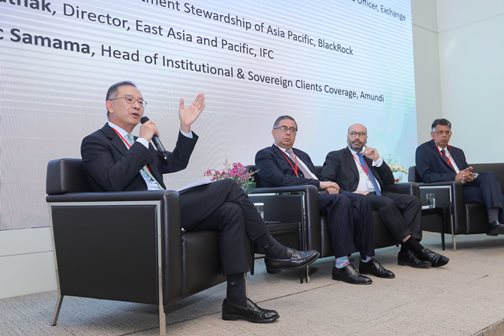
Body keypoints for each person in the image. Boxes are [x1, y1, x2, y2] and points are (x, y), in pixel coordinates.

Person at [81, 81, 320, 324]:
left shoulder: (138, 141)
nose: (137, 106)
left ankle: (236, 302)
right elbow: (112, 181)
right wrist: (142, 142)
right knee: (228, 186)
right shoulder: (96, 142)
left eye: (141, 101)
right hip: (144, 214)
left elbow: (175, 163)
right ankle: (272, 249)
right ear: (109, 105)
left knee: (231, 211)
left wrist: (185, 127)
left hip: (166, 208)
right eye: (130, 100)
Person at [255, 115, 395, 285]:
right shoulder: (265, 155)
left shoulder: (302, 155)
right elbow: (279, 180)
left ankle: (367, 260)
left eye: (292, 130)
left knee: (362, 200)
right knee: (340, 201)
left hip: (317, 193)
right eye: (284, 128)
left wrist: (328, 186)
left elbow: (315, 176)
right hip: (296, 199)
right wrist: (321, 184)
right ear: (273, 132)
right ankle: (341, 265)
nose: (288, 133)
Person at [321, 123, 449, 268]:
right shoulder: (336, 156)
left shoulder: (370, 157)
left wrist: (378, 159)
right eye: (353, 134)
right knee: (386, 202)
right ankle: (418, 249)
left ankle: (407, 253)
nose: (357, 138)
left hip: (379, 193)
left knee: (413, 201)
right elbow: (327, 180)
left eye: (361, 134)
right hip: (358, 197)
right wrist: (350, 193)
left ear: (366, 138)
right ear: (347, 136)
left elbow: (388, 181)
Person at [416, 118, 504, 236]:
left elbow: (464, 170)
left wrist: (470, 175)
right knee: (493, 194)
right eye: (440, 132)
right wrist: (454, 177)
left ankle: (494, 222)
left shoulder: (458, 152)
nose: (444, 135)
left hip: (467, 185)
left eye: (447, 132)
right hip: (453, 190)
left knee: (489, 176)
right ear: (432, 134)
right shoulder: (423, 150)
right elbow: (427, 176)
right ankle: (495, 223)